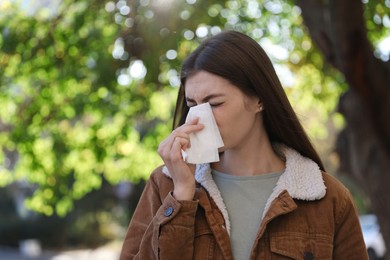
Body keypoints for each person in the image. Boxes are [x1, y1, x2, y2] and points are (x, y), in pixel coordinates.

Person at [119, 30, 368, 259]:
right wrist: (182, 195)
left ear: (259, 99)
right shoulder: (165, 186)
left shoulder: (328, 198)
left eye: (214, 103)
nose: (197, 119)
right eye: (192, 105)